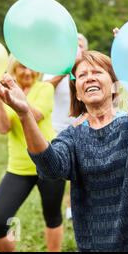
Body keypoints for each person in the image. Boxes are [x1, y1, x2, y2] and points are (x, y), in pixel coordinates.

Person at [0, 50, 128, 252]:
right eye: (82, 75)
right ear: (78, 93)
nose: (89, 77)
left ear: (113, 85)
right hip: (96, 245)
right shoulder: (71, 136)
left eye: (97, 72)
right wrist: (24, 114)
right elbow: (51, 168)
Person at [0, 55, 65, 252]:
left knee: (52, 216)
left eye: (32, 67)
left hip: (50, 163)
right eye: (22, 67)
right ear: (13, 69)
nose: (28, 72)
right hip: (19, 166)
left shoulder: (45, 88)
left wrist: (9, 97)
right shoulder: (3, 93)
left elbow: (35, 115)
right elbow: (2, 128)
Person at [42, 32, 88, 220]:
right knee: (60, 168)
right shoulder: (54, 67)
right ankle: (58, 207)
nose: (77, 48)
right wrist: (64, 70)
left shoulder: (88, 69)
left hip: (84, 126)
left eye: (80, 45)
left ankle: (72, 205)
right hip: (58, 128)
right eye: (73, 45)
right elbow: (44, 89)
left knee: (81, 169)